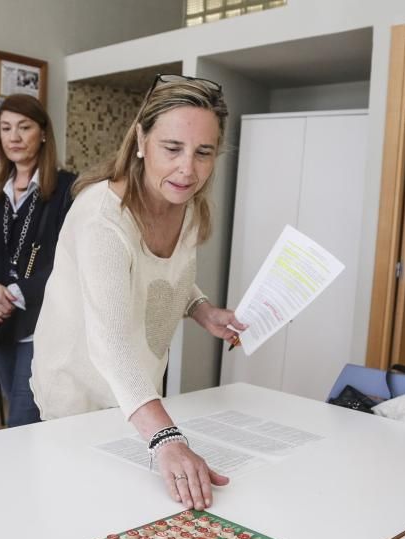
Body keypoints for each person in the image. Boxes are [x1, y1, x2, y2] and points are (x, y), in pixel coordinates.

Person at [31, 75, 246, 510]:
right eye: (173, 148)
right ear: (142, 140)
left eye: (203, 153)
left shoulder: (186, 208)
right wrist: (167, 437)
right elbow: (109, 344)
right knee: (77, 518)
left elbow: (161, 275)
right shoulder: (101, 217)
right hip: (80, 396)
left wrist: (201, 308)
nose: (188, 169)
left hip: (137, 398)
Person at [0, 95, 75, 427]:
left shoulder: (68, 188)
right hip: (0, 321)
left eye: (24, 127)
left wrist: (8, 295)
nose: (13, 137)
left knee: (22, 419)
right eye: (6, 128)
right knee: (18, 411)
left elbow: (67, 260)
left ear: (43, 133)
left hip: (40, 322)